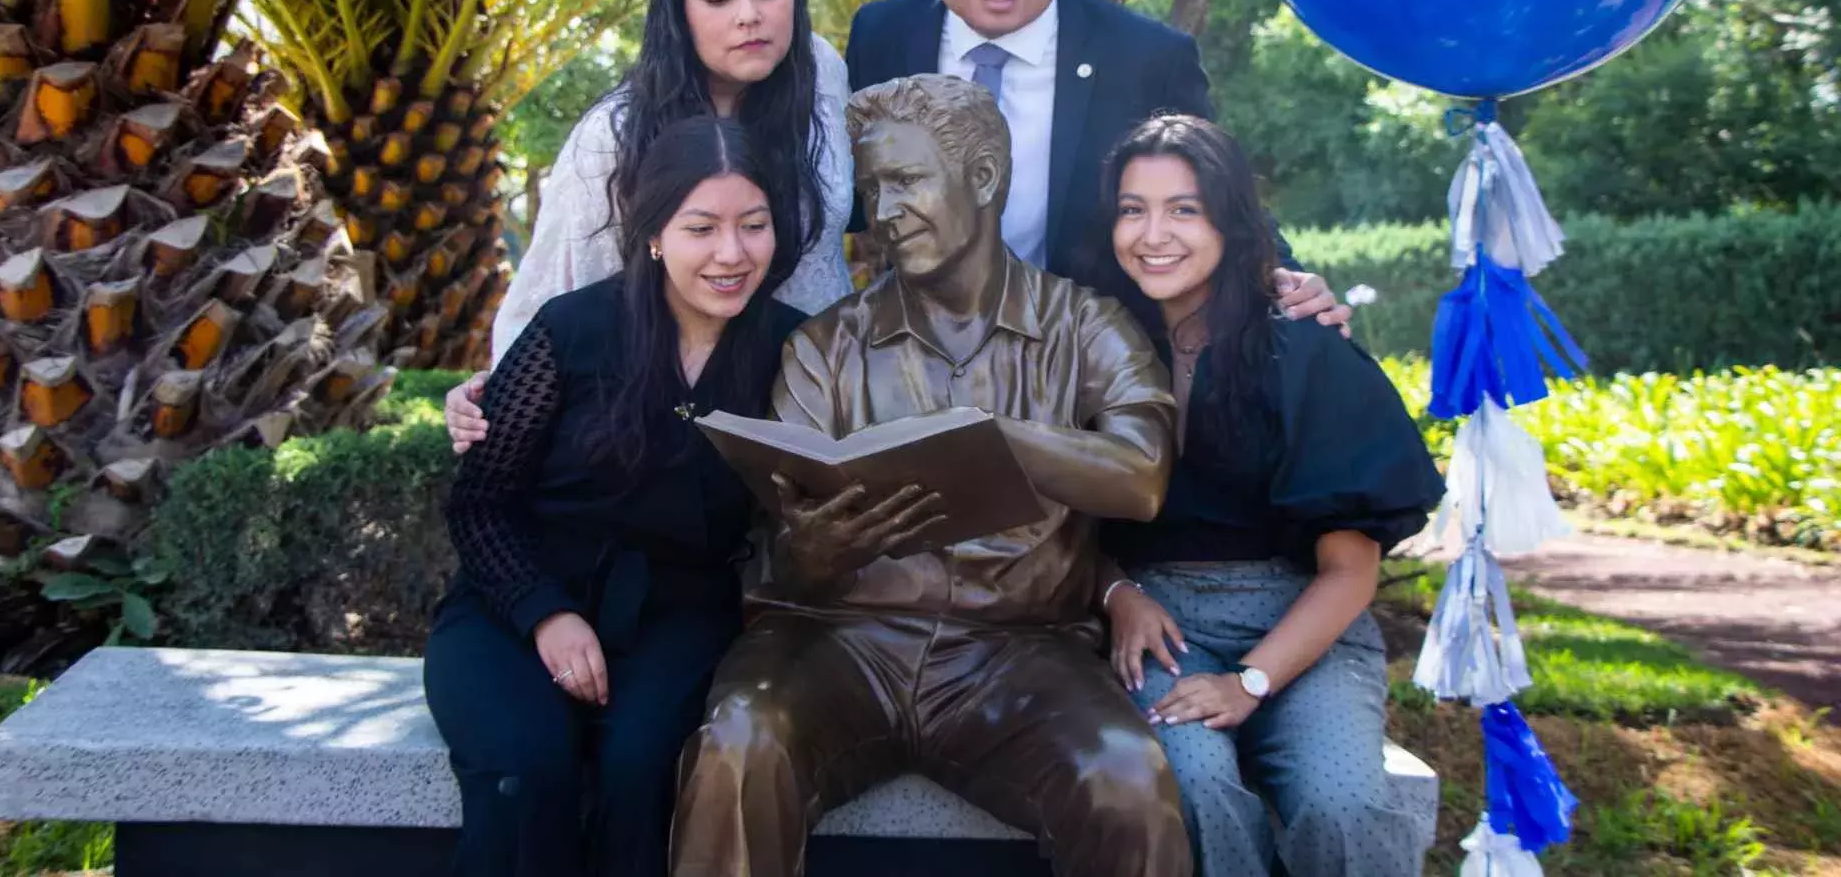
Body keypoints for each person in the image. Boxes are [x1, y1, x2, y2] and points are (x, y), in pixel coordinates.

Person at [670, 75, 1191, 877]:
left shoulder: (1087, 326)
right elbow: (786, 543)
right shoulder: (825, 346)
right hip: (837, 641)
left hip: (1020, 653)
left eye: (907, 181)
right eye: (873, 189)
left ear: (982, 178)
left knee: (1127, 781)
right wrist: (816, 547)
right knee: (740, 745)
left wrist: (990, 437)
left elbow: (1142, 476)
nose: (884, 212)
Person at [423, 116, 811, 876]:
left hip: (680, 616)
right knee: (525, 772)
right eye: (702, 228)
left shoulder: (797, 350)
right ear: (656, 232)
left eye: (753, 226)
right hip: (516, 604)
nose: (731, 254)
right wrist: (547, 615)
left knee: (642, 776)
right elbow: (480, 504)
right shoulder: (573, 329)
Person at [1094, 115, 1445, 876]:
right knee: (1190, 786)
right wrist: (1116, 590)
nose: (1153, 234)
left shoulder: (1303, 347)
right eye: (1132, 208)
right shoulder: (1095, 345)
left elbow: (1350, 571)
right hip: (1160, 625)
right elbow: (1058, 517)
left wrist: (1249, 681)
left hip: (1302, 622)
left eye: (1184, 208)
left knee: (1343, 804)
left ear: (1231, 220)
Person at [843, 0, 1348, 329]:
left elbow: (1219, 194)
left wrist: (1285, 276)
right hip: (922, 351)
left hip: (1098, 360)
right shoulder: (882, 36)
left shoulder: (1146, 58)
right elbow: (851, 194)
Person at [443, 0, 851, 450]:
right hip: (671, 433)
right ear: (678, 12)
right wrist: (502, 393)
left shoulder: (822, 76)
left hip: (817, 412)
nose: (748, 15)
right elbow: (558, 296)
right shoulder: (614, 138)